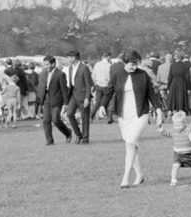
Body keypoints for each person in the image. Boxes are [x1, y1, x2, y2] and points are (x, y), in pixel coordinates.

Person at [97, 50, 163, 188]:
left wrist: (158, 110)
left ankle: (125, 178)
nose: (135, 67)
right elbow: (109, 91)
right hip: (123, 115)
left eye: (137, 64)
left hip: (141, 114)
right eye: (132, 64)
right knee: (132, 145)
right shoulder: (116, 75)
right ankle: (140, 175)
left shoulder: (143, 75)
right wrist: (102, 105)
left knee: (130, 143)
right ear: (125, 62)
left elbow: (151, 94)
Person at [158, 110, 191, 186]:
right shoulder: (173, 131)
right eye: (175, 125)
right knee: (175, 166)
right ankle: (173, 180)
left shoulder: (188, 130)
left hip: (189, 153)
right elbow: (166, 133)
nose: (177, 127)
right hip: (178, 154)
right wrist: (160, 128)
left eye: (179, 125)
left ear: (184, 123)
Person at [37, 55, 72, 145]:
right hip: (46, 99)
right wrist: (39, 103)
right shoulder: (42, 73)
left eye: (47, 64)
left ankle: (68, 132)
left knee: (56, 120)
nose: (45, 66)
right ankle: (49, 141)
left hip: (57, 100)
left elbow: (64, 90)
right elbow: (40, 88)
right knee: (45, 121)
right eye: (44, 64)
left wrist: (66, 103)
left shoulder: (60, 74)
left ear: (53, 64)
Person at [64, 50, 93, 144]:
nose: (67, 59)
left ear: (74, 57)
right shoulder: (70, 68)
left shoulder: (84, 68)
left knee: (84, 118)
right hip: (73, 95)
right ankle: (78, 134)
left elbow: (88, 84)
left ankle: (85, 138)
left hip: (83, 95)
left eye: (69, 57)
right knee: (69, 114)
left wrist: (87, 98)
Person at [166, 50, 191, 114]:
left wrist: (168, 87)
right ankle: (180, 115)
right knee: (181, 101)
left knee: (174, 101)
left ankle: (175, 116)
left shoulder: (172, 65)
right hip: (182, 84)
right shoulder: (185, 66)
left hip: (174, 84)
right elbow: (187, 78)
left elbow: (169, 77)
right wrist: (189, 88)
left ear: (176, 57)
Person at [91, 53, 113, 123]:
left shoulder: (97, 64)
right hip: (106, 86)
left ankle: (91, 116)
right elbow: (111, 77)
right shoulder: (110, 66)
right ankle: (108, 118)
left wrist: (96, 83)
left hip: (98, 85)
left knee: (98, 102)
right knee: (107, 102)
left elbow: (93, 76)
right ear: (108, 57)